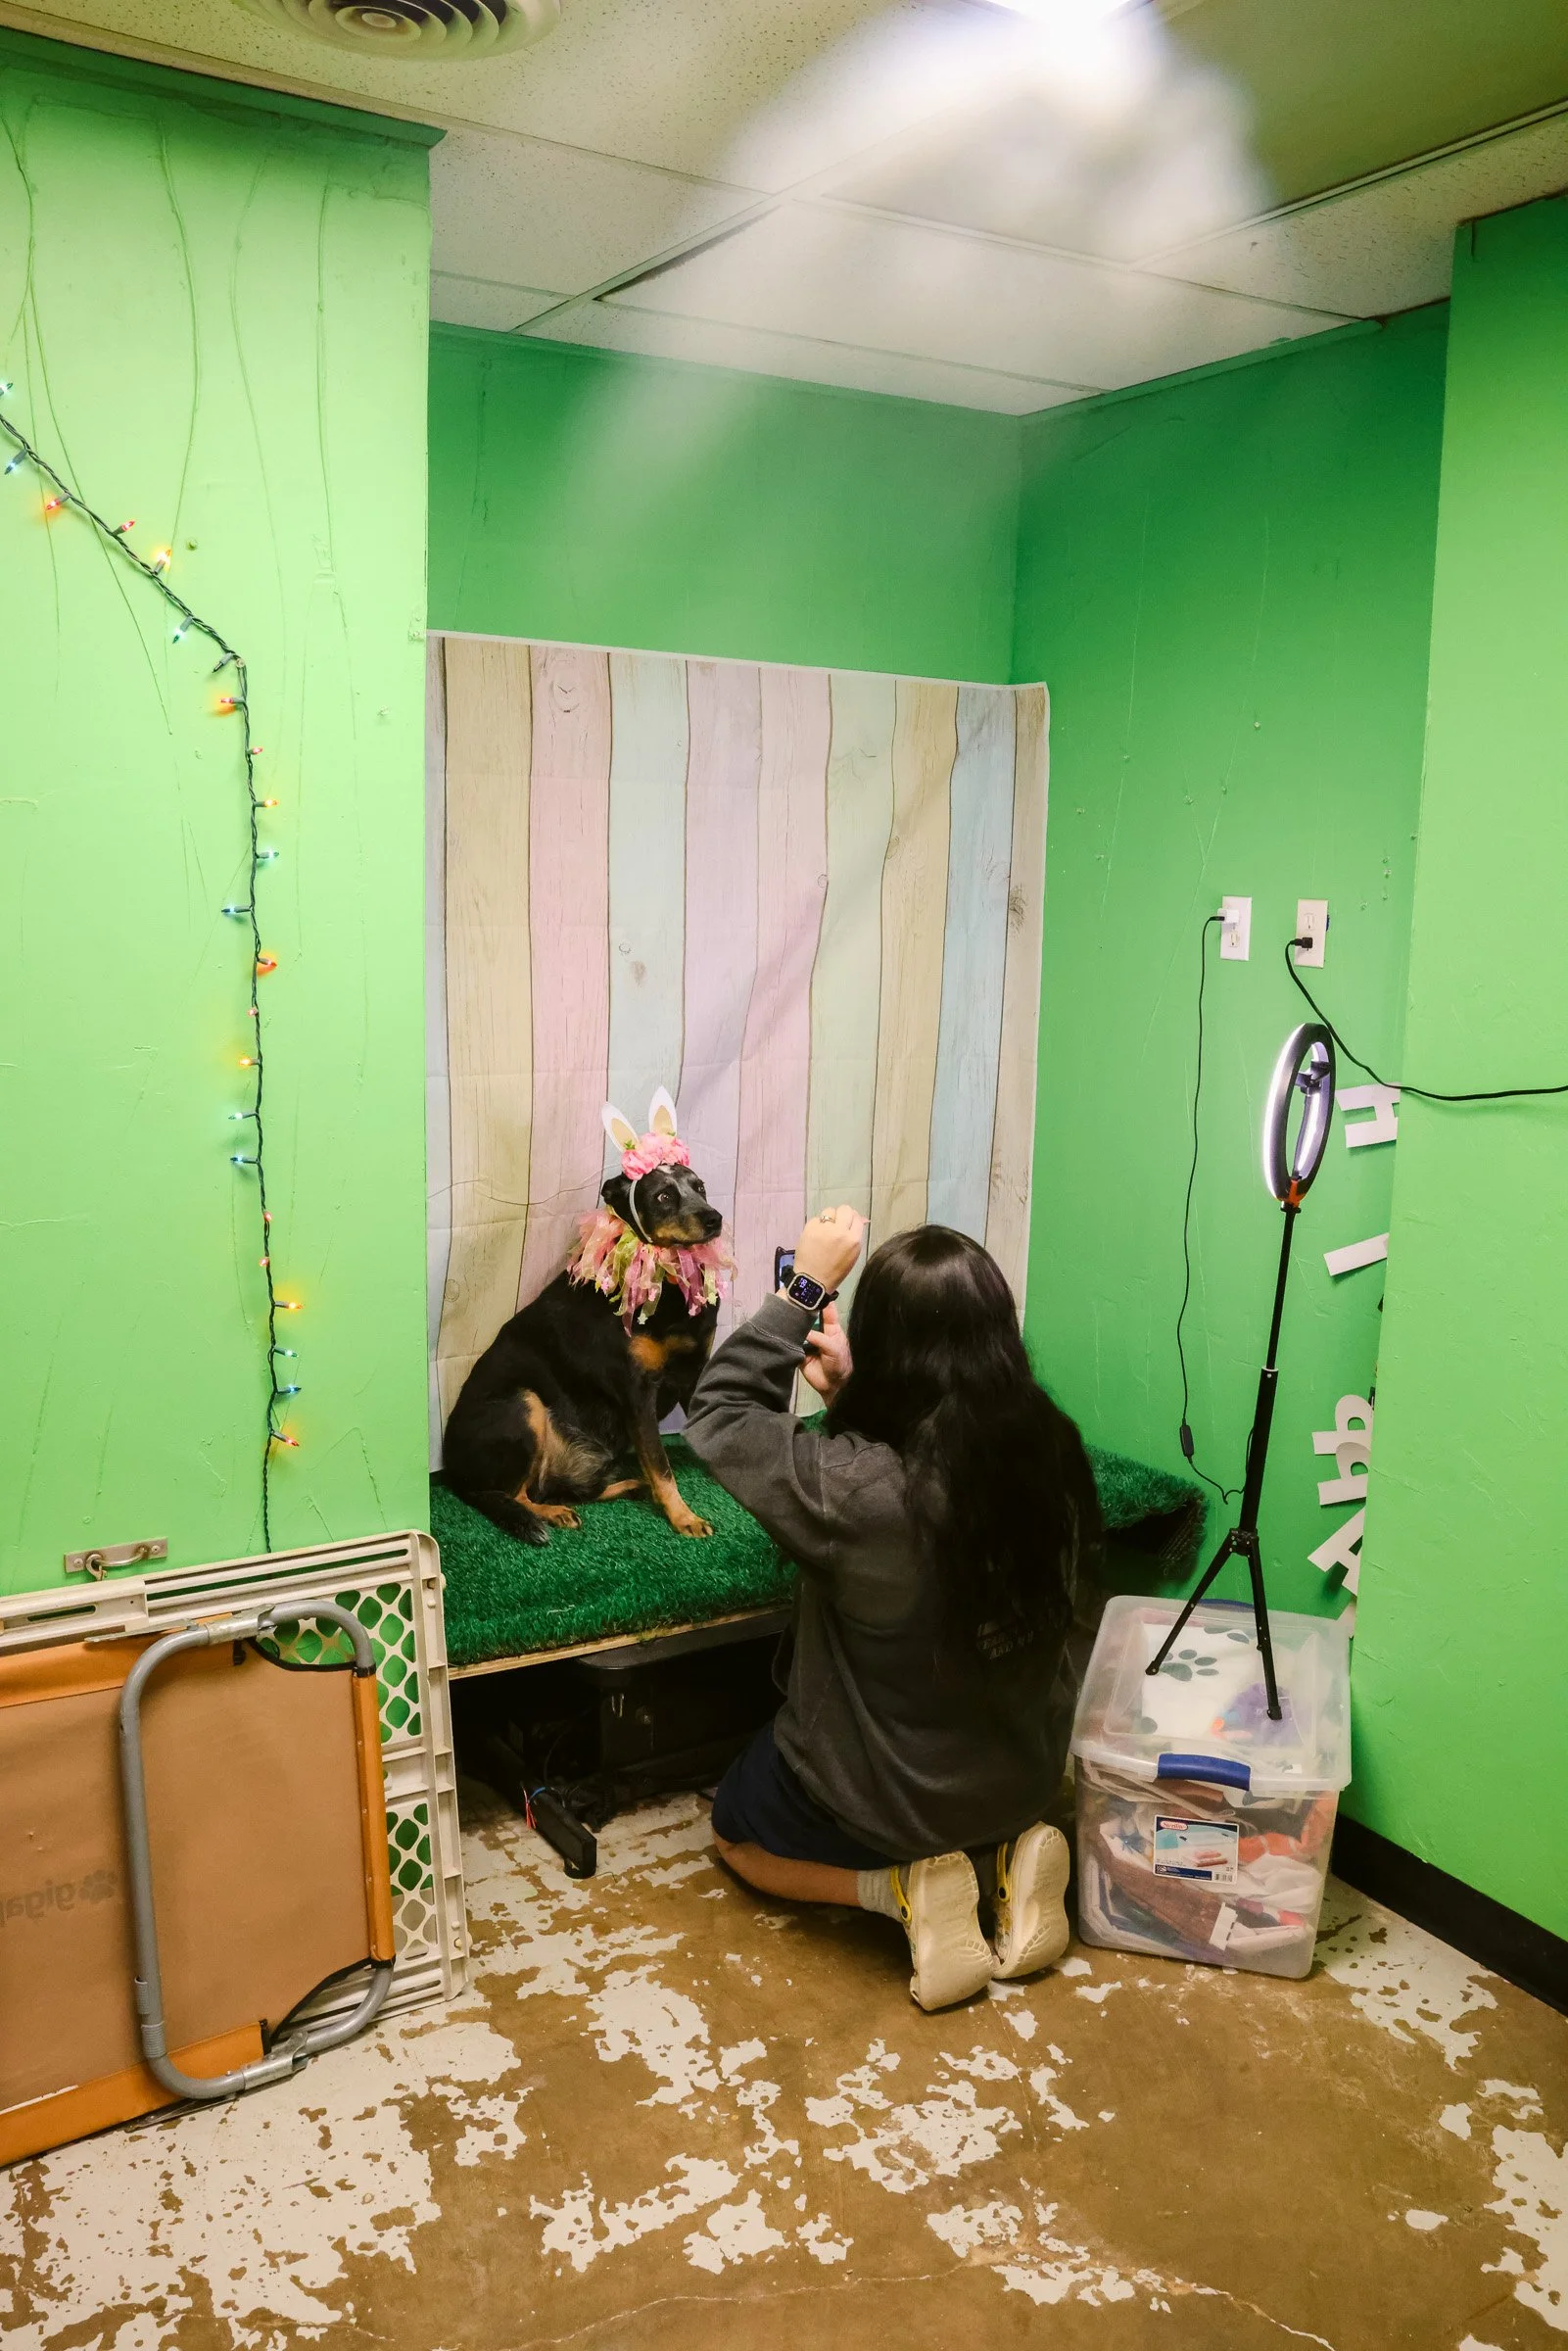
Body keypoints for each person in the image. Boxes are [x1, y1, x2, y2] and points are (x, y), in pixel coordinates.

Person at [684, 1207, 1104, 2012]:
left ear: (885, 1346)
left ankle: (897, 1890)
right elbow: (941, 1465)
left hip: (891, 1810)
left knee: (734, 1832)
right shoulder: (1051, 1447)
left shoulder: (854, 1490)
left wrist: (804, 1287)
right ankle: (1001, 1861)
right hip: (1023, 1778)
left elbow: (721, 1418)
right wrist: (852, 1393)